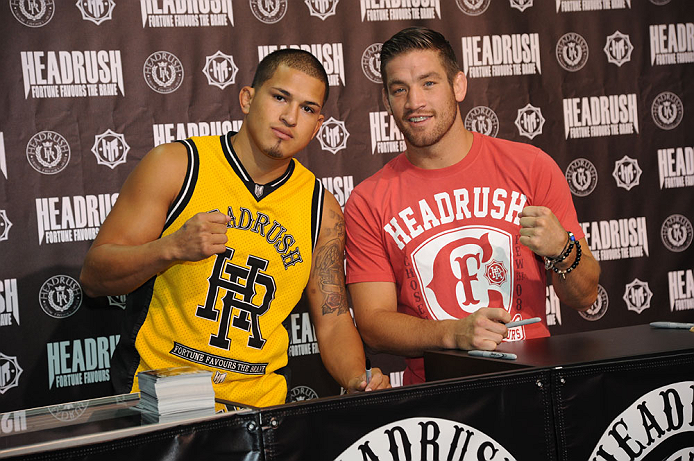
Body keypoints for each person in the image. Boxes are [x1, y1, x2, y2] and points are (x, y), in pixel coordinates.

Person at [80, 49, 389, 409]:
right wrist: (171, 249)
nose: (290, 117)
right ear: (247, 98)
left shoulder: (322, 208)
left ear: (318, 125)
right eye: (279, 97)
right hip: (162, 403)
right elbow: (94, 275)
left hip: (260, 412)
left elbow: (334, 320)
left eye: (307, 109)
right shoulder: (178, 165)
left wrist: (356, 378)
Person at [344, 27, 600, 385]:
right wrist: (451, 333)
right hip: (437, 398)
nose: (414, 101)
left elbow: (586, 295)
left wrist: (562, 250)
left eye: (429, 83)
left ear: (458, 86)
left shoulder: (531, 167)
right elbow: (373, 324)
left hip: (532, 383)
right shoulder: (367, 200)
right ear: (386, 100)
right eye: (399, 88)